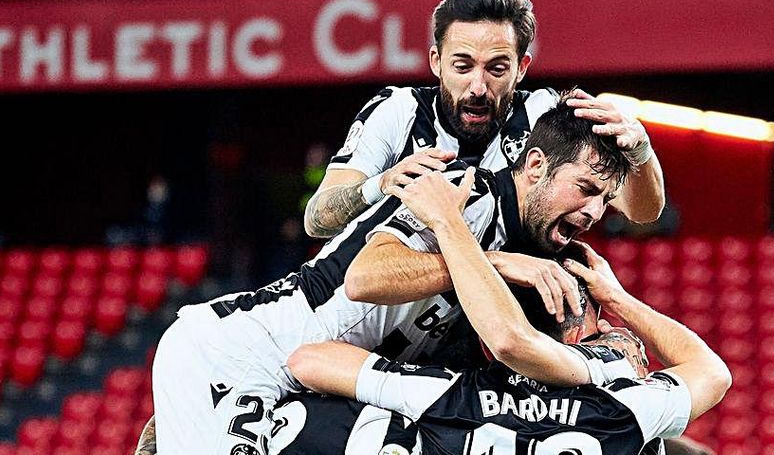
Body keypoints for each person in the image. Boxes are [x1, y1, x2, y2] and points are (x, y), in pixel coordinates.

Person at [150, 97, 633, 454]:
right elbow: (366, 278)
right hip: (236, 355)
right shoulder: (466, 191)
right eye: (586, 188)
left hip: (309, 374)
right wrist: (491, 262)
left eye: (605, 200)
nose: (594, 211)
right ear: (534, 166)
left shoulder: (526, 240)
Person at [279, 169, 730, 455]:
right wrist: (619, 299)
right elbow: (712, 371)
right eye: (600, 320)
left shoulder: (448, 396)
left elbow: (308, 361)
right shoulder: (622, 405)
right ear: (575, 334)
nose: (608, 326)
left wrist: (447, 223)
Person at [304, 0, 665, 245]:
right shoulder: (399, 110)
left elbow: (642, 212)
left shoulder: (542, 112)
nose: (478, 87)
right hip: (393, 312)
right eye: (462, 66)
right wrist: (380, 185)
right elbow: (317, 219)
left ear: (521, 68)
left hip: (486, 322)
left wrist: (641, 151)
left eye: (496, 68)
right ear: (436, 63)